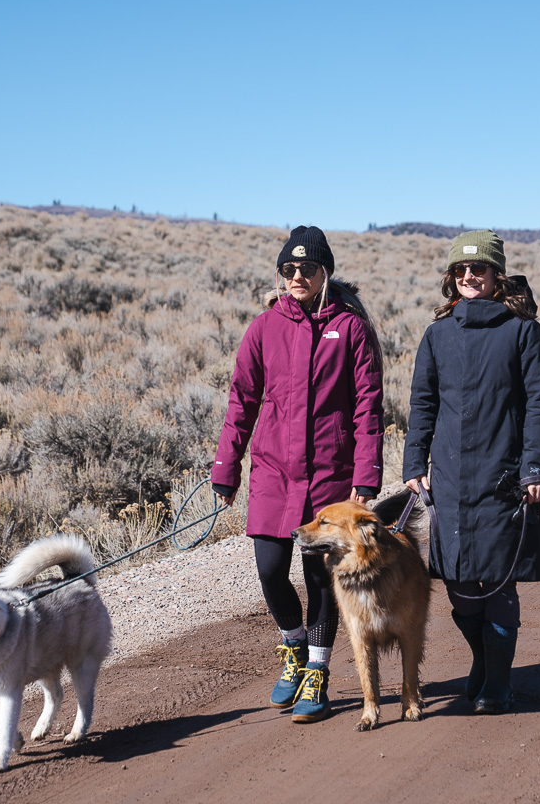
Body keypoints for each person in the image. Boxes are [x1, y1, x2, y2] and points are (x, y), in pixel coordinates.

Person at [211, 225, 384, 724]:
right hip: (273, 470)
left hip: (329, 475)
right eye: (288, 269)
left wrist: (365, 476)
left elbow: (368, 407)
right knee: (269, 569)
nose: (296, 277)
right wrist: (227, 467)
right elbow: (241, 399)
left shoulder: (350, 328)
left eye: (306, 269)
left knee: (318, 578)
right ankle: (291, 646)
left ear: (324, 271)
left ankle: (317, 671)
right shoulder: (264, 327)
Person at [402, 229, 540, 714]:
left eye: (480, 269)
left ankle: (498, 682)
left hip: (503, 476)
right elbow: (422, 404)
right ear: (452, 278)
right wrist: (413, 463)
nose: (470, 277)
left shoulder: (523, 331)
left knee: (495, 581)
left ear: (496, 276)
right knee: (459, 584)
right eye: (461, 270)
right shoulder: (437, 334)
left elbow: (539, 405)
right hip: (448, 477)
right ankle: (484, 661)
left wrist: (535, 467)